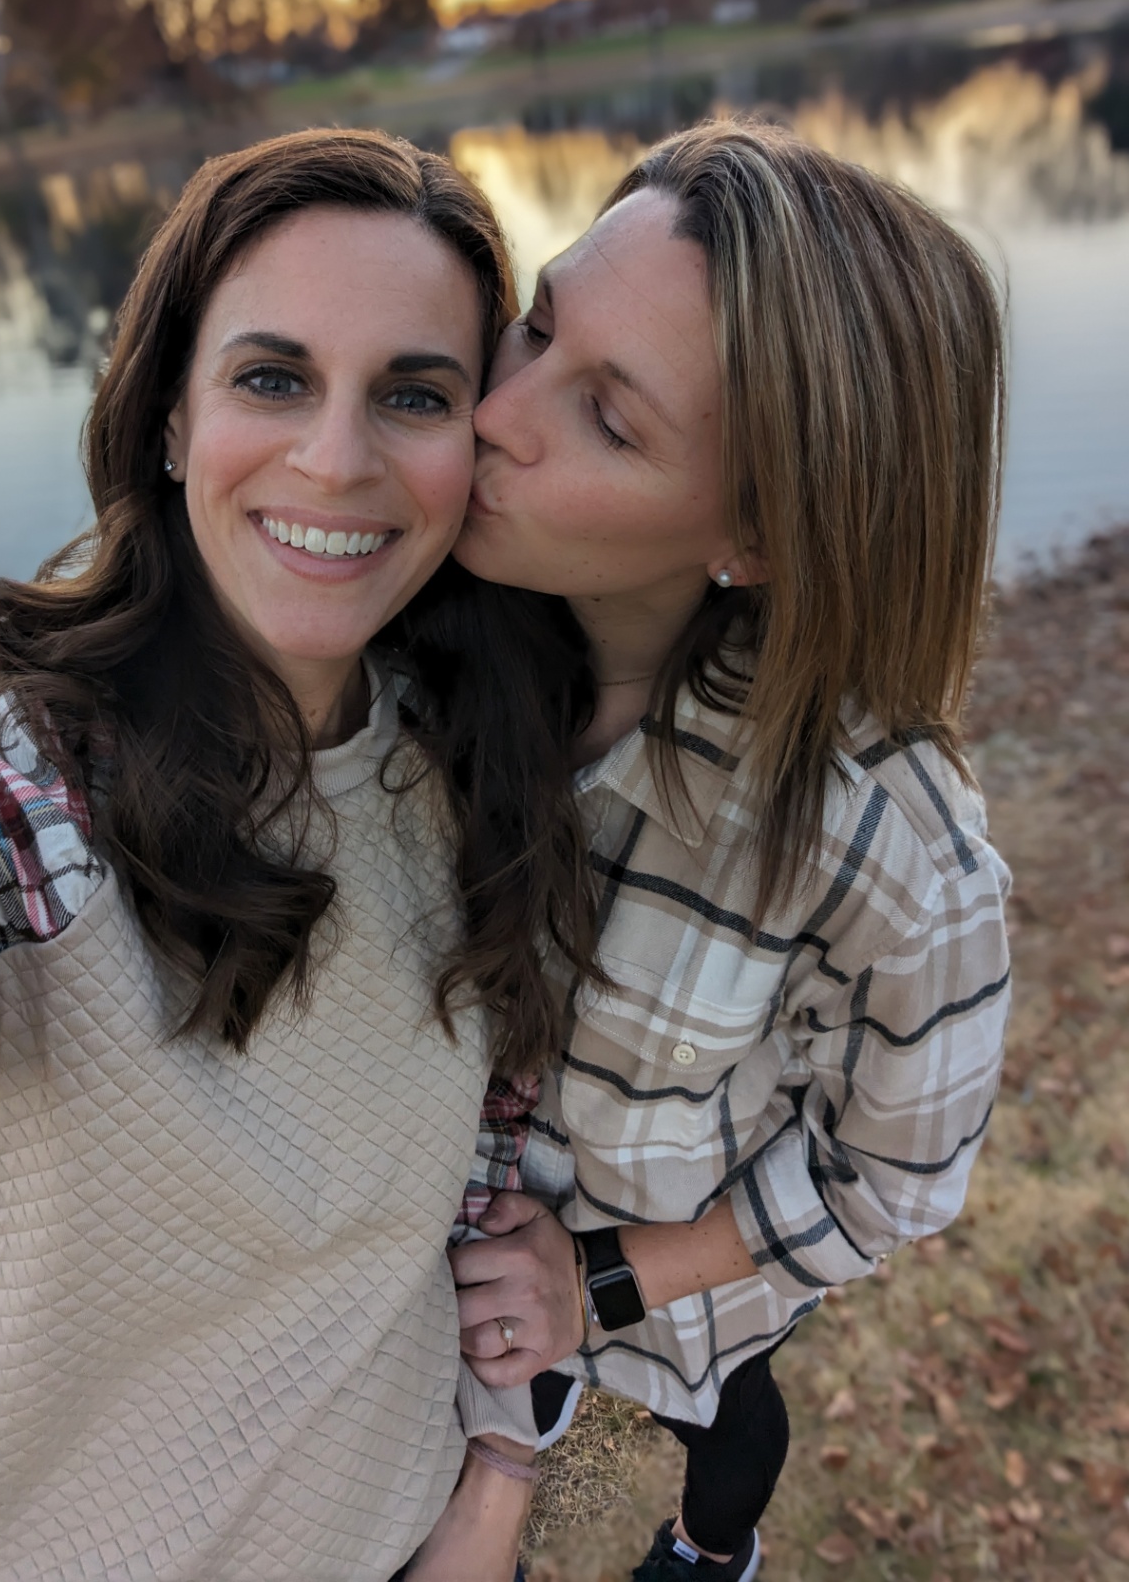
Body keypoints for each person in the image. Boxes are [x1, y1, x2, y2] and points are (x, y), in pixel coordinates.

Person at [0, 128, 597, 1581]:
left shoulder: (483, 766)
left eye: (414, 393)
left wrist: (497, 1497)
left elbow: (471, 1209)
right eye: (271, 379)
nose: (336, 461)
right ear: (165, 415)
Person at [442, 118, 1012, 1581]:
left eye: (609, 419)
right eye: (539, 326)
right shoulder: (423, 653)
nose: (494, 413)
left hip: (698, 1280)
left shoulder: (885, 844)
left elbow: (894, 1180)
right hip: (461, 1269)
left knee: (730, 1425)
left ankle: (713, 1554)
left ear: (752, 531)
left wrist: (609, 1279)